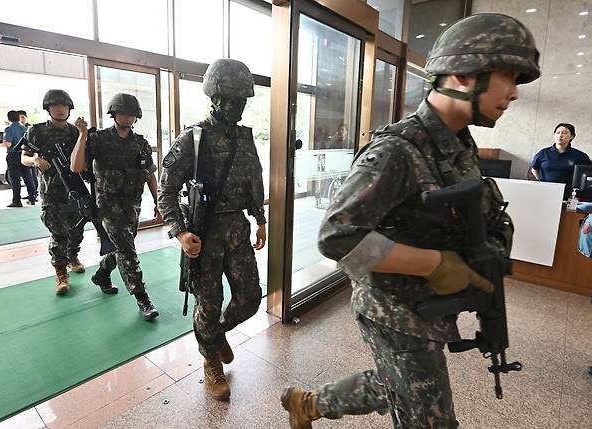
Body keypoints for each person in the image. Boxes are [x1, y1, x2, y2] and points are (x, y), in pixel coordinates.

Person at [281, 13, 540, 429]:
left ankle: (308, 403)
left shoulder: (457, 146)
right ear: (461, 74)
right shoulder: (398, 151)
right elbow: (336, 238)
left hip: (425, 307)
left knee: (396, 384)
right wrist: (436, 265)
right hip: (393, 308)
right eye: (507, 76)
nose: (513, 93)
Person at [158, 59, 267, 399]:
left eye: (241, 100)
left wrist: (260, 219)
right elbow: (166, 190)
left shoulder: (244, 137)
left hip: (238, 227)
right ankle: (211, 362)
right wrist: (179, 232)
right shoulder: (192, 138)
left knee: (250, 298)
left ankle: (214, 335)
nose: (235, 106)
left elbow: (254, 180)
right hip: (203, 232)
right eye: (229, 98)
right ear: (214, 97)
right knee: (209, 301)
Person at [70, 93, 160, 321]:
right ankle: (143, 299)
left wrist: (159, 201)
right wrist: (82, 136)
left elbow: (149, 174)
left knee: (121, 248)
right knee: (128, 252)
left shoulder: (140, 143)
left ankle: (102, 274)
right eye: (123, 112)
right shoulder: (98, 139)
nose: (127, 117)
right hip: (108, 207)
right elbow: (76, 166)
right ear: (113, 113)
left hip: (133, 205)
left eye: (131, 114)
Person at [21, 90, 86, 295]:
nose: (60, 109)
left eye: (64, 106)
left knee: (77, 229)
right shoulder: (36, 131)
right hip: (51, 192)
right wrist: (35, 161)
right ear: (48, 108)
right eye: (55, 105)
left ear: (69, 108)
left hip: (74, 188)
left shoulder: (75, 132)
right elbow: (24, 157)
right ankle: (61, 273)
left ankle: (73, 256)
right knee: (59, 233)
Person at [530, 123, 591, 198]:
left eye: (564, 133)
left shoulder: (580, 156)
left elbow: (587, 174)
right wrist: (542, 181)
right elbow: (534, 169)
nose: (560, 135)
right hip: (543, 191)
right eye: (557, 133)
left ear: (572, 136)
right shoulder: (543, 153)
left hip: (566, 194)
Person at [0, 110, 37, 207]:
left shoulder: (9, 129)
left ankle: (16, 200)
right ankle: (32, 197)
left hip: (13, 155)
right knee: (28, 177)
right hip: (25, 154)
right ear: (18, 118)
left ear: (9, 118)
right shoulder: (24, 128)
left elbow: (8, 144)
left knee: (14, 179)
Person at [18, 109, 40, 201]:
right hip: (23, 154)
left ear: (26, 118)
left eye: (23, 117)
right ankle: (31, 193)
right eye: (19, 118)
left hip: (33, 154)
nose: (21, 119)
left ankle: (34, 193)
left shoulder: (31, 129)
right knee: (27, 176)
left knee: (33, 175)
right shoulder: (19, 128)